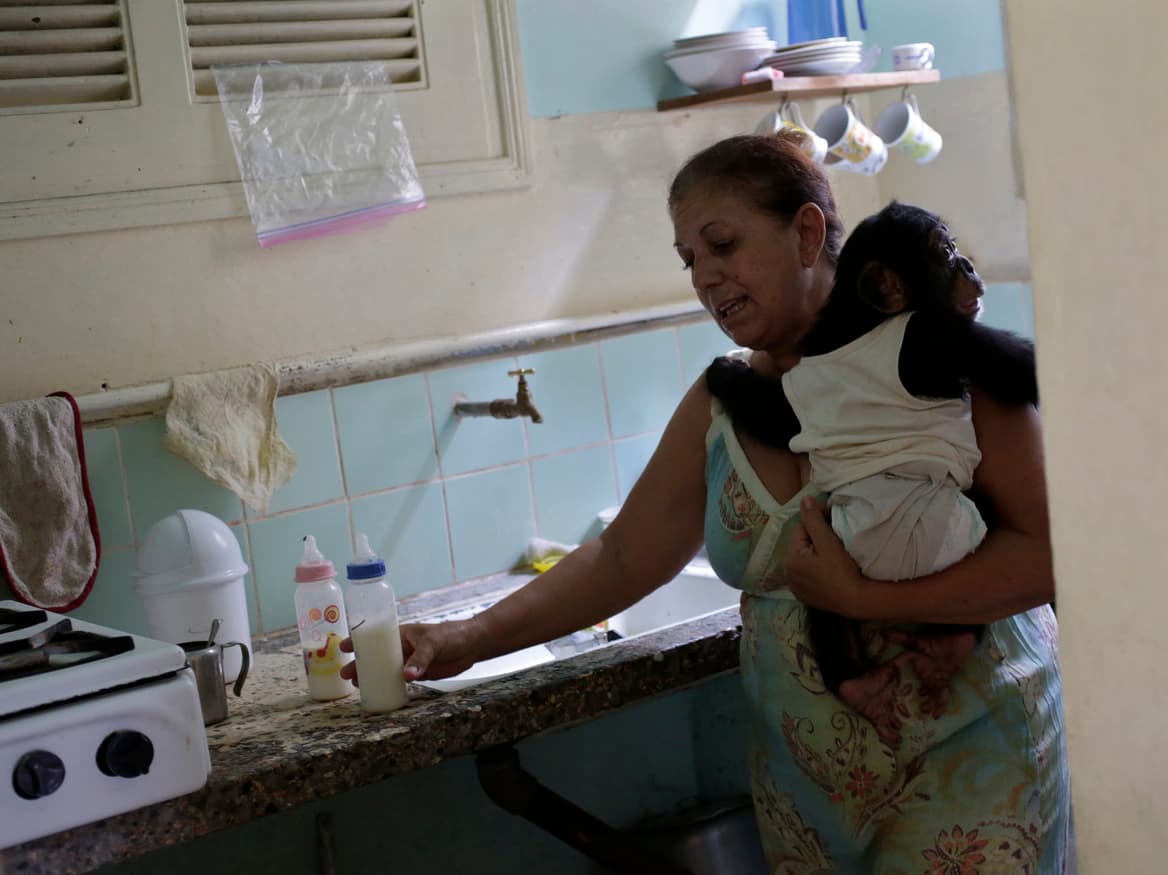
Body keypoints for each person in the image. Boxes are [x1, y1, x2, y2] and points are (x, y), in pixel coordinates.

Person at [341, 133, 1070, 873]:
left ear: (808, 233)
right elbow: (621, 556)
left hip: (969, 761)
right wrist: (465, 638)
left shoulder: (930, 358)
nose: (706, 277)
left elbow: (1051, 554)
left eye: (722, 244)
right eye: (690, 259)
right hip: (810, 798)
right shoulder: (722, 401)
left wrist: (863, 596)